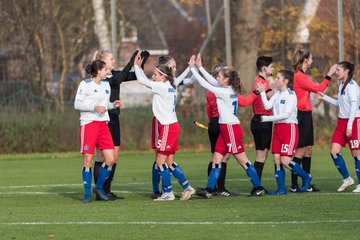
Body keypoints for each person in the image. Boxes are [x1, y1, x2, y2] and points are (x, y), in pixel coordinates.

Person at [188, 54, 266, 198]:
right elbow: (211, 81)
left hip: (231, 128)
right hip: (226, 128)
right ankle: (209, 190)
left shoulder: (223, 92)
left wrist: (193, 69)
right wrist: (199, 67)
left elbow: (206, 84)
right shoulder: (228, 89)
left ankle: (258, 187)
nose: (216, 78)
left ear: (226, 80)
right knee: (217, 159)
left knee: (242, 159)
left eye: (219, 77)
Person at [134, 54, 196, 201]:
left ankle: (167, 192)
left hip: (167, 127)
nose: (153, 76)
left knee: (160, 162)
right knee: (168, 162)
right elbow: (180, 79)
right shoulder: (171, 85)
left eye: (155, 74)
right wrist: (191, 68)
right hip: (172, 125)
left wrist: (136, 66)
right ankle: (186, 186)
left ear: (162, 77)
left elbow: (142, 80)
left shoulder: (162, 86)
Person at [92, 49, 149, 200]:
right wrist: (130, 63)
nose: (114, 61)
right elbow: (117, 81)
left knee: (114, 157)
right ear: (103, 62)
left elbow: (134, 76)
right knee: (102, 157)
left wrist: (140, 65)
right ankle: (99, 191)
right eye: (111, 59)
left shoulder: (115, 74)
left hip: (115, 118)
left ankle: (107, 191)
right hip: (104, 118)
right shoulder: (101, 78)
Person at [257, 69, 312, 194]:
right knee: (276, 158)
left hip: (289, 128)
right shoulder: (277, 93)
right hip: (277, 129)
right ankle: (281, 189)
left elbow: (285, 115)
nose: (275, 80)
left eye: (278, 78)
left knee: (285, 160)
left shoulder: (291, 95)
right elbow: (267, 106)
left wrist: (266, 118)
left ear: (286, 81)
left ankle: (306, 176)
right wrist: (262, 93)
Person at [74, 60, 121, 203]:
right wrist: (94, 107)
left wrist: (113, 105)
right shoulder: (85, 84)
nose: (108, 72)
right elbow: (77, 104)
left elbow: (104, 104)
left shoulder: (106, 85)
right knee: (88, 160)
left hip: (103, 125)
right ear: (98, 71)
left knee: (111, 159)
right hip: (89, 125)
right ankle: (87, 194)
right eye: (106, 69)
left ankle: (99, 187)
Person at [291, 49, 337, 192]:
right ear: (305, 60)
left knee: (308, 149)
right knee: (300, 149)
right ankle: (294, 185)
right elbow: (318, 89)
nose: (312, 60)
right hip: (301, 115)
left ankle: (306, 184)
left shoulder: (303, 75)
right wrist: (329, 74)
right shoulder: (299, 76)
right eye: (310, 58)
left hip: (306, 114)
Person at [317, 61, 360, 193]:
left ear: (346, 71)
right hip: (341, 122)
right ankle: (347, 179)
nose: (336, 72)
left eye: (338, 70)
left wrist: (349, 126)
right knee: (334, 152)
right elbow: (339, 103)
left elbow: (353, 107)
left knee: (356, 155)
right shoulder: (341, 84)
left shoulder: (352, 86)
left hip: (353, 122)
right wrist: (324, 97)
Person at [251, 56, 274, 182]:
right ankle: (256, 186)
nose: (273, 69)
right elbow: (272, 97)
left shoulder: (261, 82)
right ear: (264, 68)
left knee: (262, 155)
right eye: (271, 66)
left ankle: (257, 185)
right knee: (261, 155)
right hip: (262, 121)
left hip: (262, 121)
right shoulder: (262, 83)